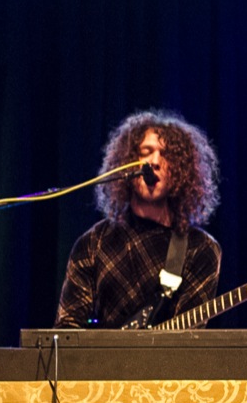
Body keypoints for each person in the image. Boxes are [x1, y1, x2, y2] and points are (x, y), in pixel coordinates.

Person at [55, 110, 222, 329]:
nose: (154, 161)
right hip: (101, 363)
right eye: (146, 152)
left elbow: (186, 344)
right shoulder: (93, 243)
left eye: (167, 155)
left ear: (181, 171)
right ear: (128, 162)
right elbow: (67, 331)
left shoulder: (199, 249)